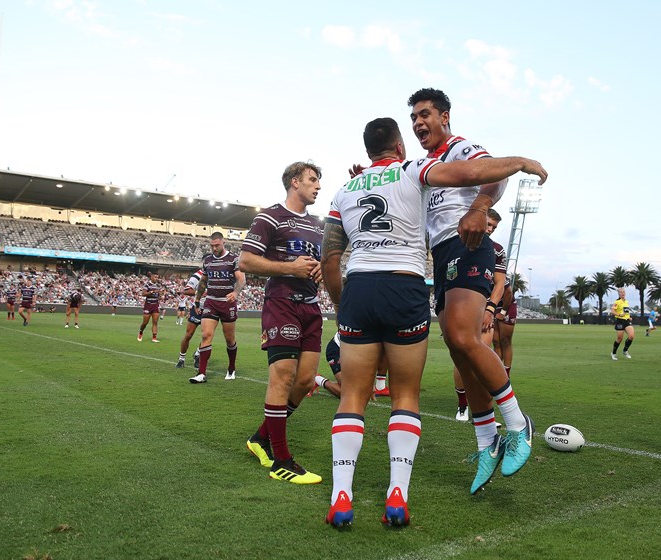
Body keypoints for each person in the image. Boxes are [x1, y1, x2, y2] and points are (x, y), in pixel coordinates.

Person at [322, 117, 547, 528]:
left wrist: (342, 306)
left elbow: (329, 258)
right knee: (409, 391)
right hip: (406, 285)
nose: (420, 124)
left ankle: (341, 498)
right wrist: (520, 161)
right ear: (400, 146)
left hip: (359, 290)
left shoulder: (342, 191)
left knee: (353, 396)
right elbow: (473, 174)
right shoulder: (414, 170)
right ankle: (399, 496)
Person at [407, 87, 537, 494]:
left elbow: (494, 174)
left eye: (425, 114)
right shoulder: (424, 166)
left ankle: (517, 425)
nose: (418, 123)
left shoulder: (462, 148)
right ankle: (487, 442)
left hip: (468, 245)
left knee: (465, 337)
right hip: (441, 254)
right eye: (413, 118)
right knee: (460, 350)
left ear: (445, 116)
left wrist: (479, 207)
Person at [240, 161, 325, 485]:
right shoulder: (270, 216)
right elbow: (246, 260)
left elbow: (313, 263)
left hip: (311, 307)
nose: (317, 186)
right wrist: (291, 268)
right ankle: (281, 461)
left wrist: (317, 269)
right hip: (282, 304)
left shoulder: (318, 226)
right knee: (283, 377)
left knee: (305, 382)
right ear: (294, 182)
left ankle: (260, 438)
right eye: (313, 180)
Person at [452, 208, 507, 422]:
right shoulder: (458, 241)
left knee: (482, 357)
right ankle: (462, 405)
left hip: (484, 309)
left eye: (494, 227)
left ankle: (484, 409)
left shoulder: (497, 250)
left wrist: (491, 309)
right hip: (458, 308)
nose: (491, 229)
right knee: (461, 361)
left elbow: (500, 282)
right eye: (489, 224)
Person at [189, 232, 246, 384]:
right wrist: (197, 299)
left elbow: (241, 278)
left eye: (217, 245)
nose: (214, 248)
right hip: (211, 302)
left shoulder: (233, 259)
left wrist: (235, 292)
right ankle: (201, 373)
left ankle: (231, 368)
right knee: (206, 335)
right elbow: (203, 281)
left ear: (223, 243)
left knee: (229, 340)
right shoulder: (207, 261)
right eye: (212, 246)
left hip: (227, 303)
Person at [175, 268, 204, 369]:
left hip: (211, 309)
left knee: (207, 335)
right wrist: (199, 293)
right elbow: (187, 290)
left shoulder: (217, 274)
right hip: (197, 309)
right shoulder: (198, 275)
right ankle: (181, 359)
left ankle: (198, 354)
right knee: (188, 335)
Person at [137, 271, 162, 343]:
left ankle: (154, 337)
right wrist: (152, 292)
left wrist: (160, 294)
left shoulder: (158, 285)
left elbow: (159, 294)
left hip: (155, 304)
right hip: (148, 304)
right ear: (151, 277)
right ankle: (141, 332)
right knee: (145, 322)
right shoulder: (147, 284)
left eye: (157, 277)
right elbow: (143, 294)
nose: (156, 278)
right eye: (155, 277)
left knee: (155, 322)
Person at [610, 287, 634, 359]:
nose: (622, 293)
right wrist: (619, 315)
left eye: (623, 292)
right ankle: (613, 353)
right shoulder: (617, 302)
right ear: (619, 294)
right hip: (620, 321)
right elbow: (612, 311)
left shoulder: (626, 301)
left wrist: (629, 317)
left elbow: (626, 311)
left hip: (627, 321)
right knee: (620, 338)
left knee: (631, 336)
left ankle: (625, 350)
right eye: (621, 292)